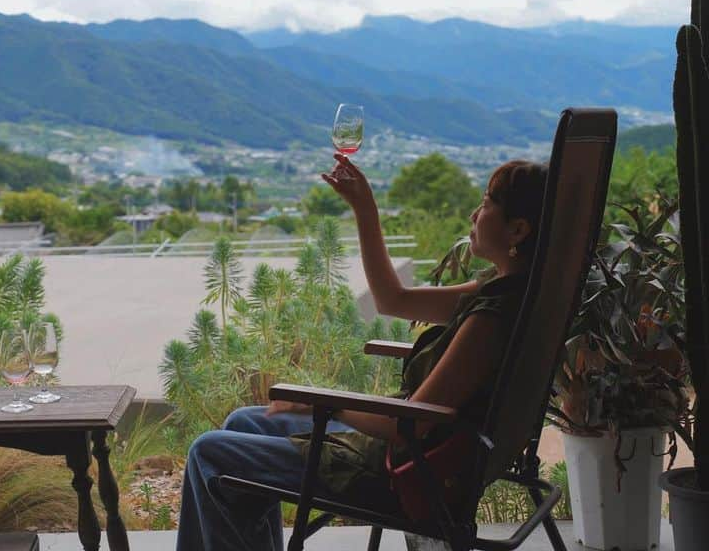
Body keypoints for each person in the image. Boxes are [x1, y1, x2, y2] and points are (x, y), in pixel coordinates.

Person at [176, 154, 548, 551]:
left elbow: (410, 426)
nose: (475, 214)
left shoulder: (492, 320)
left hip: (403, 472)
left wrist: (323, 405)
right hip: (415, 452)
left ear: (518, 229)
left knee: (208, 455)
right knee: (242, 423)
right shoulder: (509, 294)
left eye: (487, 203)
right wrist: (364, 209)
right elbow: (393, 299)